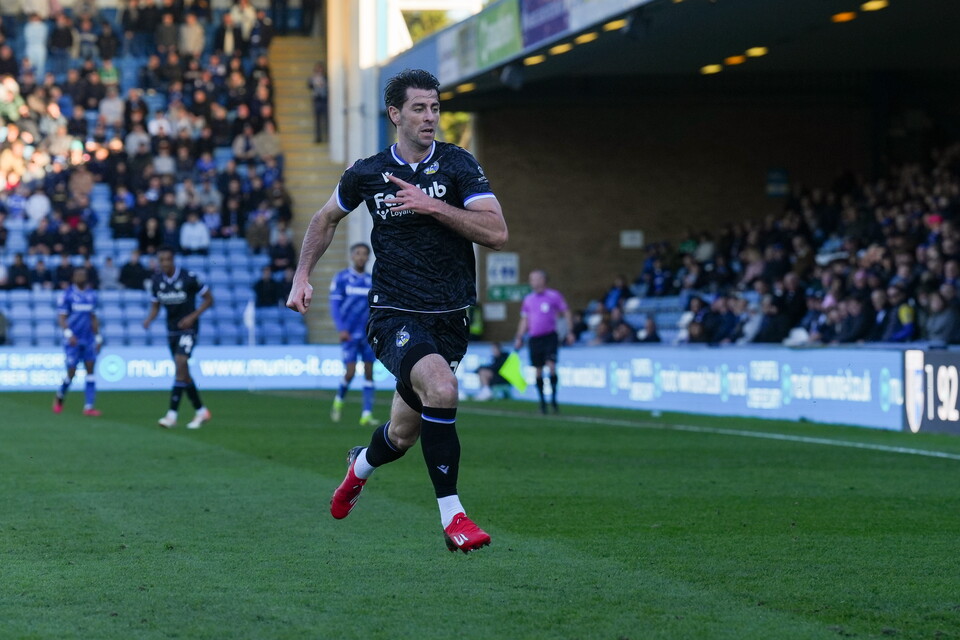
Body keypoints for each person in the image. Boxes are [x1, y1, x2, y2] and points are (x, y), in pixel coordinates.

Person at [286, 69, 507, 553]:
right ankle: (455, 518)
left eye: (435, 108)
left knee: (403, 435)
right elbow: (325, 220)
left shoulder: (457, 165)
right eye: (419, 109)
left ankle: (358, 467)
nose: (430, 117)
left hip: (450, 318)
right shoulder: (366, 172)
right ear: (395, 114)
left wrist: (433, 206)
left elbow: (496, 232)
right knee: (443, 388)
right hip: (394, 314)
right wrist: (303, 276)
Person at [143, 246, 215, 429]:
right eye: (162, 260)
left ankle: (172, 415)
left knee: (180, 362)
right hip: (172, 330)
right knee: (183, 372)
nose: (165, 263)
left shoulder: (188, 277)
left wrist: (192, 317)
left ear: (173, 259)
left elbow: (209, 299)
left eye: (168, 259)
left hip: (189, 329)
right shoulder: (156, 280)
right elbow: (156, 305)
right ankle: (201, 411)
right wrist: (149, 319)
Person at [328, 242, 377, 426]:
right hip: (349, 334)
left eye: (364, 254)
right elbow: (334, 306)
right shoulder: (342, 279)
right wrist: (341, 329)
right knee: (349, 373)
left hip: (367, 334)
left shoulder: (372, 281)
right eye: (358, 253)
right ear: (351, 256)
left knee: (369, 372)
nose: (361, 257)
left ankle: (366, 414)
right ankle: (339, 400)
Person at [514, 269, 574, 414]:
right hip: (535, 338)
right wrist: (519, 337)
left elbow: (566, 311)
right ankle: (542, 403)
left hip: (550, 337)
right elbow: (525, 319)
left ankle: (553, 400)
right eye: (531, 279)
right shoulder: (528, 299)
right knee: (538, 370)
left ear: (543, 280)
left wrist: (570, 331)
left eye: (534, 278)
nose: (532, 282)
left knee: (551, 366)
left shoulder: (554, 296)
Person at [53, 268, 103, 417]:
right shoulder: (67, 295)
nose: (80, 276)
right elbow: (61, 317)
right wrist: (69, 334)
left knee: (90, 371)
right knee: (71, 372)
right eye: (77, 275)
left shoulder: (92, 295)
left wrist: (98, 337)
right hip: (73, 341)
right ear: (73, 277)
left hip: (88, 339)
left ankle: (89, 406)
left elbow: (93, 317)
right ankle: (60, 396)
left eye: (83, 274)